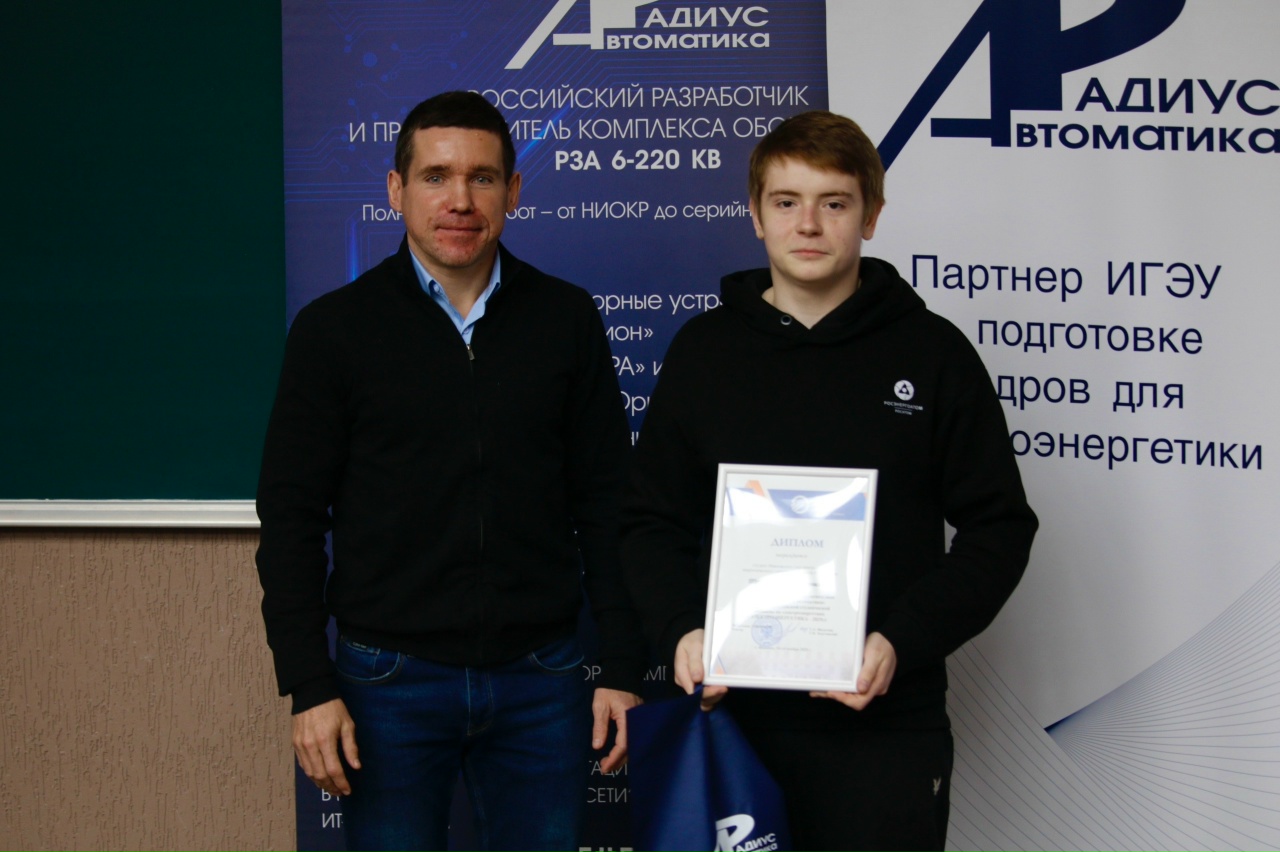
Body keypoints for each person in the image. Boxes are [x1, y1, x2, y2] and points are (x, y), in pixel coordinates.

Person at [621, 111, 1038, 851]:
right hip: (732, 720)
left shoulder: (933, 354)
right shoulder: (704, 352)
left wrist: (900, 641)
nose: (808, 224)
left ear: (870, 216)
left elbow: (999, 528)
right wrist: (681, 629)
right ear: (756, 216)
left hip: (885, 727)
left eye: (834, 202)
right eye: (786, 202)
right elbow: (650, 520)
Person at [255, 90, 644, 852]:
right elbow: (292, 517)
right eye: (435, 177)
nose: (459, 200)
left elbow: (607, 505)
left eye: (482, 178)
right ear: (396, 190)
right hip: (385, 682)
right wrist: (309, 682)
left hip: (542, 677)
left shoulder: (565, 318)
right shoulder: (334, 330)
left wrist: (625, 665)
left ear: (513, 191)